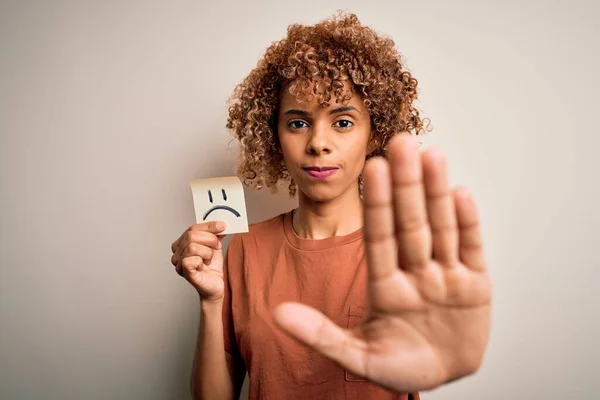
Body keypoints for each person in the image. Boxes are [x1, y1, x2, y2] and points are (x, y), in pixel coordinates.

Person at [170, 12, 491, 400]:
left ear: (376, 133)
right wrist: (211, 302)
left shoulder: (405, 251)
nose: (318, 143)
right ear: (274, 137)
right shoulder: (245, 248)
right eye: (298, 123)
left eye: (342, 122)